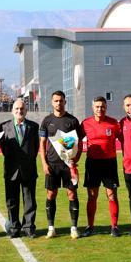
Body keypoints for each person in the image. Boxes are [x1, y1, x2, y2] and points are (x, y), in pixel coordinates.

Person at [39, 91, 82, 239]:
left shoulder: (73, 121)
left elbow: (80, 143)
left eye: (61, 101)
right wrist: (44, 163)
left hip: (68, 165)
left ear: (65, 102)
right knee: (51, 194)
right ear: (52, 102)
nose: (58, 103)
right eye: (56, 101)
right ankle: (51, 228)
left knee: (72, 194)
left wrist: (75, 160)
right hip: (52, 164)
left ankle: (74, 228)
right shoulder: (46, 121)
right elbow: (42, 144)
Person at [81, 96, 121, 237]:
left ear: (106, 107)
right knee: (92, 196)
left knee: (112, 195)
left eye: (102, 106)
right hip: (92, 164)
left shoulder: (114, 124)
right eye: (97, 106)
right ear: (93, 108)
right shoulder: (86, 123)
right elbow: (74, 141)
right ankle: (90, 226)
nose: (100, 109)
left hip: (109, 163)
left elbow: (124, 140)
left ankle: (114, 227)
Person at [0, 99, 39, 238]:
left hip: (29, 169)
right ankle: (14, 227)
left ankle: (29, 227)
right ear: (12, 111)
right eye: (16, 109)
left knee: (29, 200)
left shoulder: (34, 126)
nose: (19, 111)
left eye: (22, 109)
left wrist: (26, 160)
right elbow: (3, 148)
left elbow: (35, 148)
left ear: (26, 111)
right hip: (11, 170)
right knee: (11, 201)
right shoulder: (4, 127)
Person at [119, 94, 131, 235]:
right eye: (127, 105)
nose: (130, 107)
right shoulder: (121, 123)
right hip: (129, 168)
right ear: (123, 106)